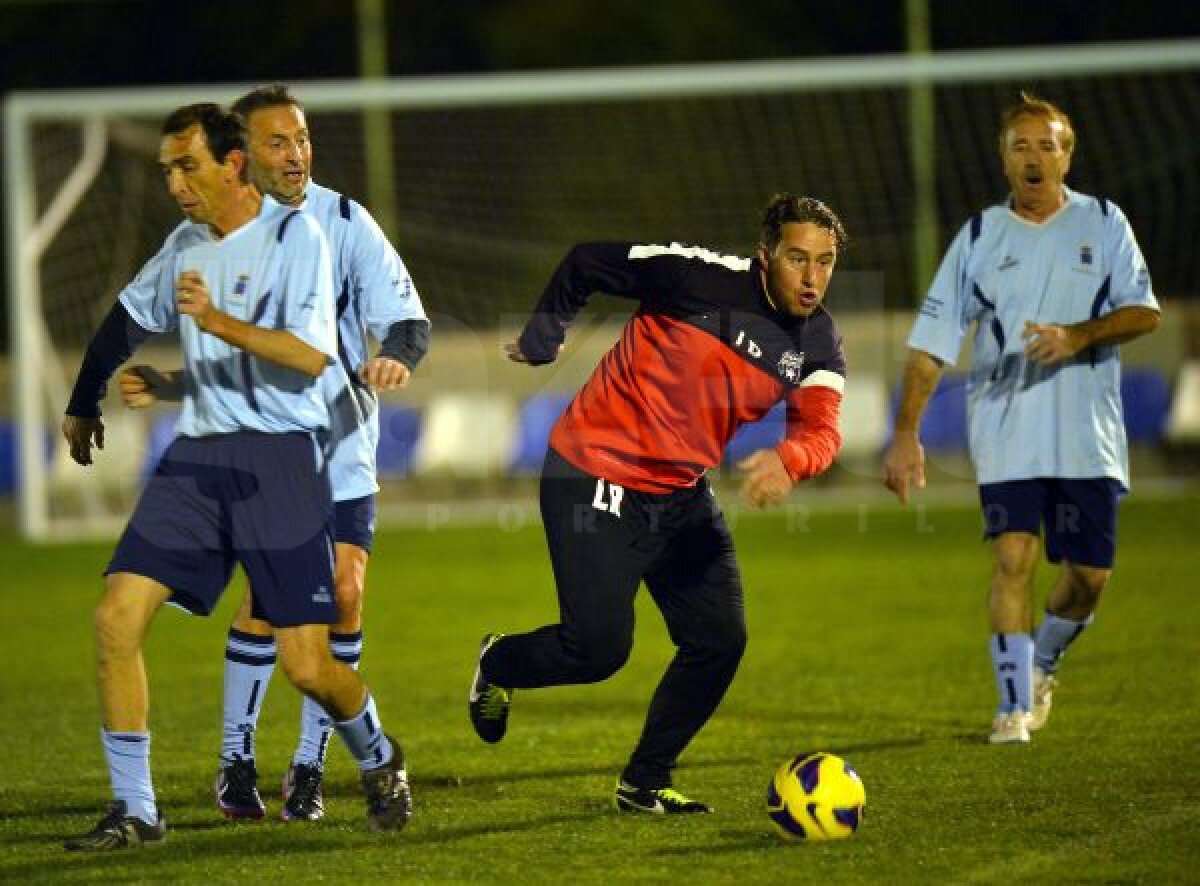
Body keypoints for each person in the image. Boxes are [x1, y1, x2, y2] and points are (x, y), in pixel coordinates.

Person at [60, 103, 412, 851]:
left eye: (188, 166)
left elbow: (311, 356)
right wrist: (83, 400)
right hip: (198, 460)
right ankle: (137, 811)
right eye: (167, 171)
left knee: (308, 665)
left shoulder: (299, 237)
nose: (176, 184)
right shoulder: (184, 243)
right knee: (115, 619)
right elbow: (124, 320)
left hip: (281, 459)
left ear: (232, 165)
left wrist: (217, 322)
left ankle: (379, 757)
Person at [467, 194, 848, 813]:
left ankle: (645, 781)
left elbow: (822, 431)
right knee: (598, 651)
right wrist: (545, 331)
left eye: (826, 262)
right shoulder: (695, 277)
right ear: (765, 255)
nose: (812, 278)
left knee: (720, 638)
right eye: (797, 258)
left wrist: (791, 459)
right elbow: (586, 262)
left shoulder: (820, 341)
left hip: (679, 494)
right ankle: (500, 661)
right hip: (593, 473)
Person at [882, 93, 1160, 744]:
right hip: (1007, 428)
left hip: (1088, 434)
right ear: (1003, 159)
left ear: (1068, 154)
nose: (1034, 158)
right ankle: (1012, 705)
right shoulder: (979, 238)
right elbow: (930, 344)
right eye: (1020, 147)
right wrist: (905, 432)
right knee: (1012, 561)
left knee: (1089, 579)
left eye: (1047, 145)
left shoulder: (1105, 222)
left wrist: (1079, 334)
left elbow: (1144, 311)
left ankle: (1044, 662)